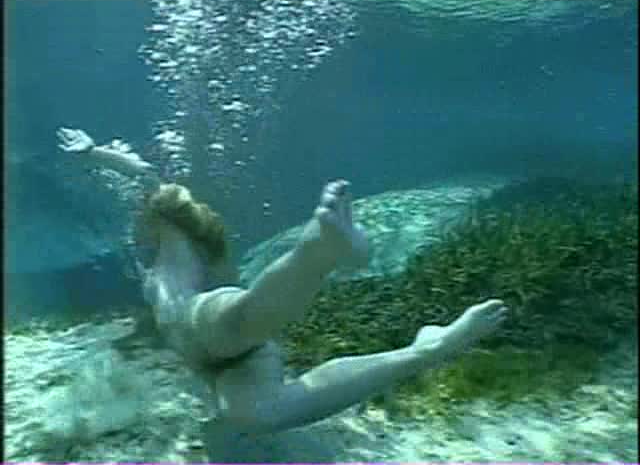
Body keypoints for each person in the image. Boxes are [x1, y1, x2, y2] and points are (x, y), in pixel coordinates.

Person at [57, 127, 507, 437]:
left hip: (210, 322)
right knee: (258, 416)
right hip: (214, 364)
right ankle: (429, 348)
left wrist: (96, 154)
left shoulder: (174, 239)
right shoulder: (145, 257)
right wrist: (93, 154)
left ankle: (319, 248)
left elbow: (146, 176)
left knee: (235, 319)